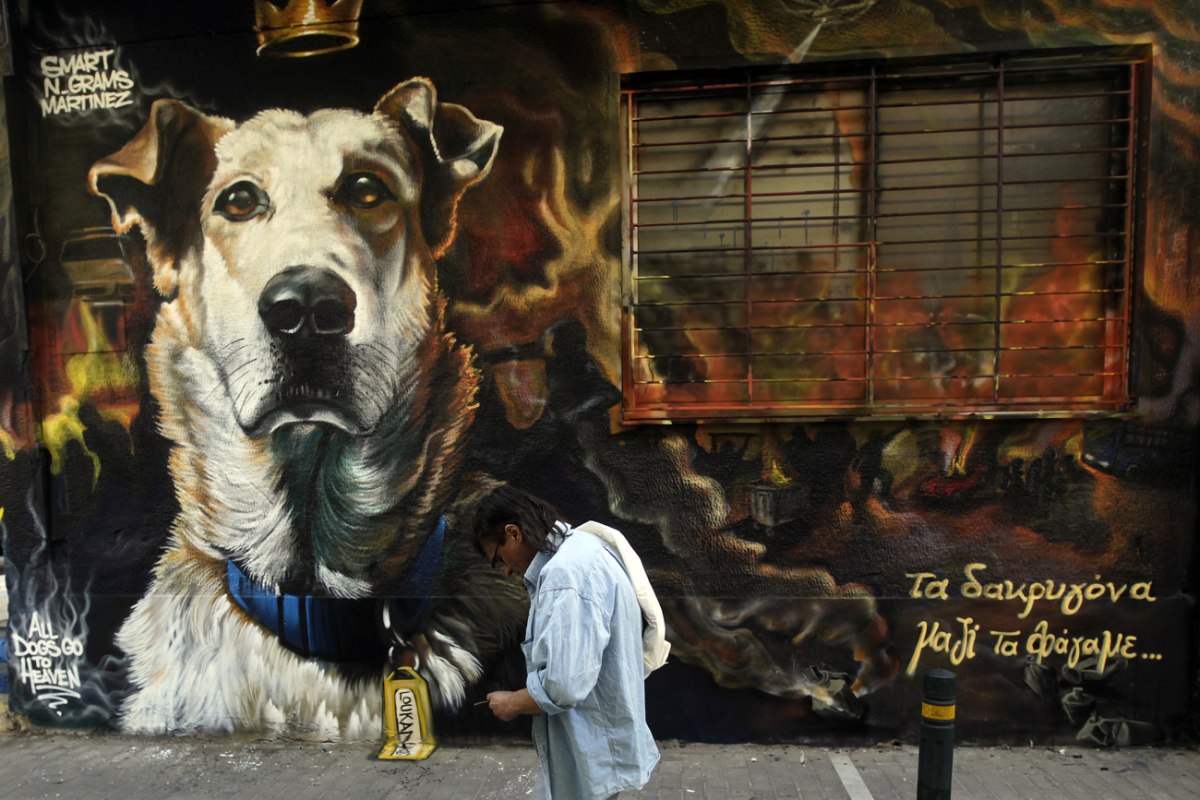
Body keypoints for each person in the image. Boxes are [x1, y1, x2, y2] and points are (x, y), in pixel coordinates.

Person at [474, 486, 660, 800]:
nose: (505, 570)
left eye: (497, 557)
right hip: (599, 742)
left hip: (592, 748)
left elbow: (564, 685)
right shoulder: (586, 546)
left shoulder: (564, 577)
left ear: (514, 533)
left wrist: (512, 702)